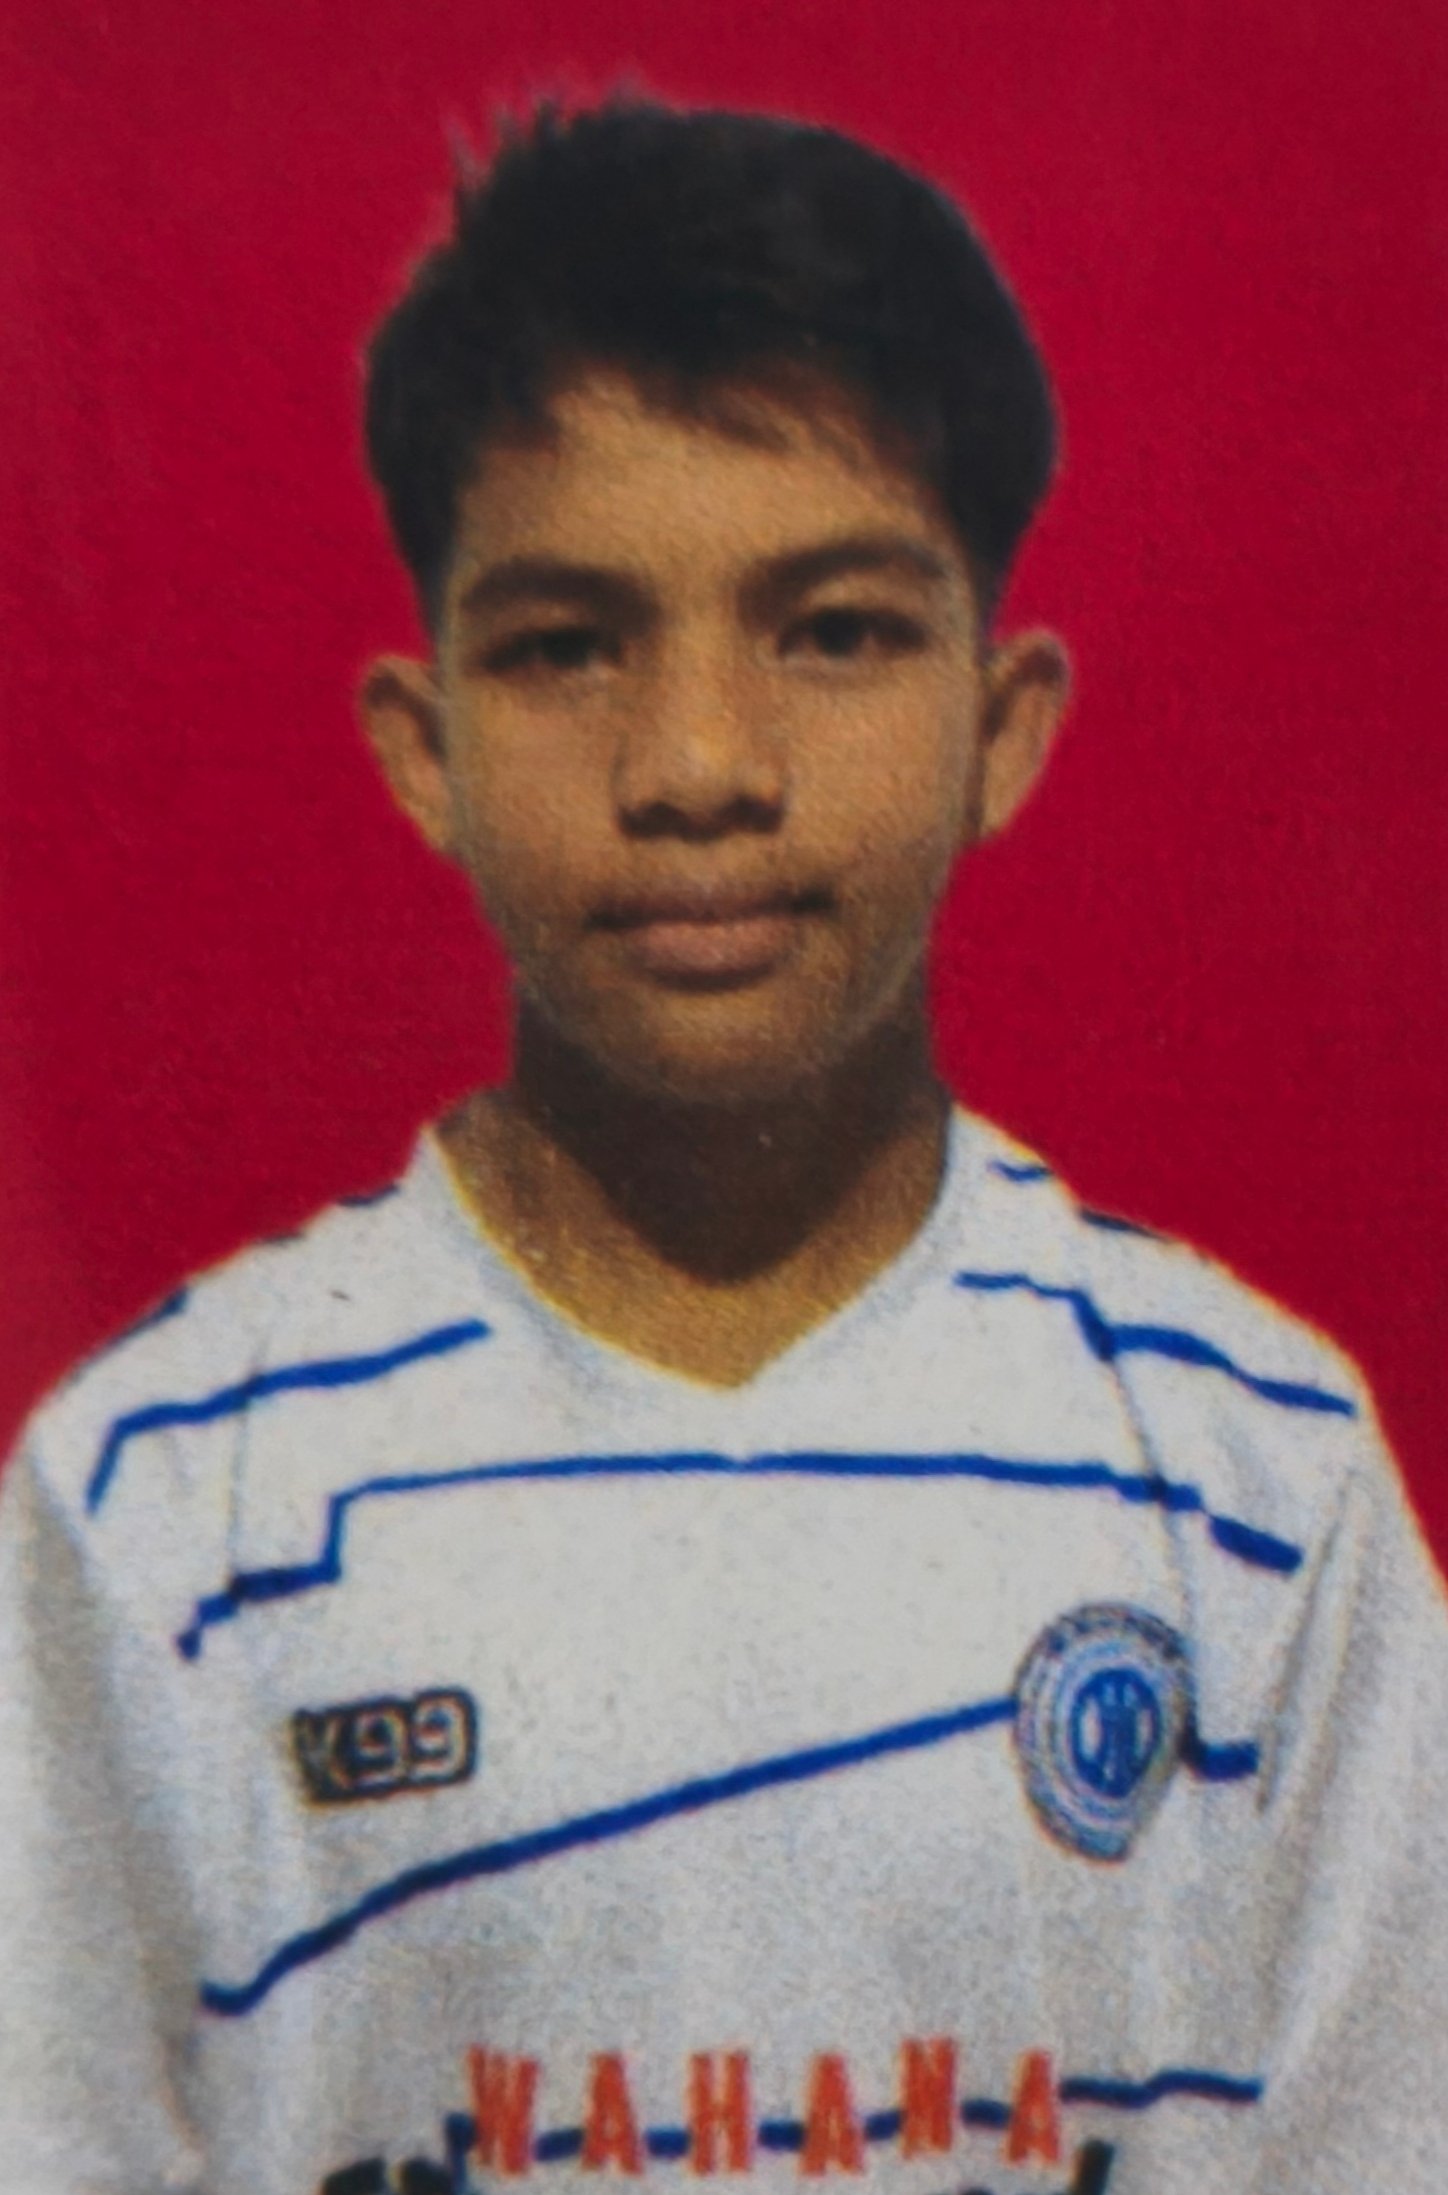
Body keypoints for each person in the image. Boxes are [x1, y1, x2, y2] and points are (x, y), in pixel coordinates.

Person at [0, 99, 1443, 2195]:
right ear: (425, 748)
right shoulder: (164, 1510)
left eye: (835, 628)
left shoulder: (1250, 1486)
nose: (696, 765)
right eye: (567, 645)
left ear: (1001, 727)